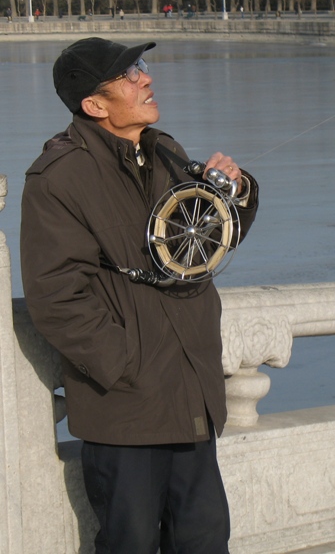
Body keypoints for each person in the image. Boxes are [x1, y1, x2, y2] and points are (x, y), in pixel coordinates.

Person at [20, 37, 259, 553]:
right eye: (130, 76)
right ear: (95, 105)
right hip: (126, 408)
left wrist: (233, 192)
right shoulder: (58, 178)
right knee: (129, 542)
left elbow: (203, 243)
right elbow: (55, 297)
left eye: (142, 67)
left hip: (190, 394)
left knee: (204, 538)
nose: (146, 79)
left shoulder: (165, 150)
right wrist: (129, 364)